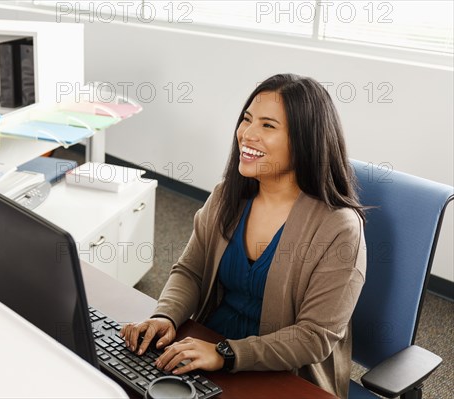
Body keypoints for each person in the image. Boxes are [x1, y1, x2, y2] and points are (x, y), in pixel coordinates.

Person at [120, 73, 367, 398]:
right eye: (247, 119)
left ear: (305, 141)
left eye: (268, 126)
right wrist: (165, 315)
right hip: (206, 347)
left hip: (285, 376)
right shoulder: (228, 195)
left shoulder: (338, 227)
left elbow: (314, 337)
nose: (246, 134)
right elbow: (190, 271)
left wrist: (225, 353)